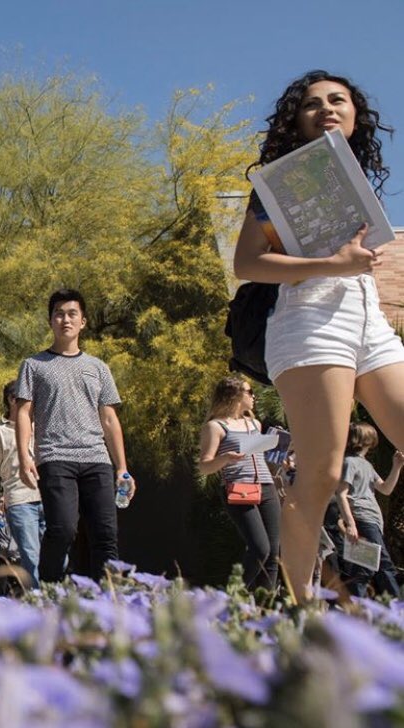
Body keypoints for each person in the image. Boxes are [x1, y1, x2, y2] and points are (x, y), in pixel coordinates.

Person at [232, 70, 404, 601]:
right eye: (311, 103)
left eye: (338, 100)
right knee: (321, 474)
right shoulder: (283, 185)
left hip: (365, 316)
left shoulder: (351, 181)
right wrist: (333, 263)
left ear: (356, 115)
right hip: (308, 321)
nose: (326, 108)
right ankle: (300, 615)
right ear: (296, 120)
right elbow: (246, 262)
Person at [15, 289, 135, 583]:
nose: (65, 319)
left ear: (83, 321)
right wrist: (24, 456)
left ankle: (109, 602)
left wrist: (122, 468)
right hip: (55, 457)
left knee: (106, 534)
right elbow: (23, 413)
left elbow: (109, 419)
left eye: (71, 314)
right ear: (50, 321)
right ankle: (50, 593)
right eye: (58, 314)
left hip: (97, 459)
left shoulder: (98, 368)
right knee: (63, 529)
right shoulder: (33, 365)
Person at [197, 376, 280, 590]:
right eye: (249, 392)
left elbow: (261, 456)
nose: (254, 396)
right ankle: (231, 597)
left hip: (267, 486)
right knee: (260, 548)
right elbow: (204, 466)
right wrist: (225, 458)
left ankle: (264, 609)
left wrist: (281, 455)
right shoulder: (216, 427)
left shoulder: (254, 423)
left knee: (273, 552)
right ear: (235, 395)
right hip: (239, 488)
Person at [0, 380, 46, 590]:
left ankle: (54, 595)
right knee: (31, 554)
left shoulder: (42, 427)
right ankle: (40, 602)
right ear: (12, 400)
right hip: (19, 501)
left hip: (49, 497)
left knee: (59, 554)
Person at [335, 422, 402, 598]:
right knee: (384, 563)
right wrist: (350, 524)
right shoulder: (350, 463)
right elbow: (341, 494)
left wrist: (397, 466)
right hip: (363, 519)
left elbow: (386, 489)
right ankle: (398, 604)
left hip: (372, 520)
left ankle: (351, 607)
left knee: (363, 569)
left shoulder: (366, 465)